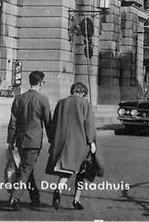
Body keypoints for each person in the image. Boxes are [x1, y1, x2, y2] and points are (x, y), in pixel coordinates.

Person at [46, 82, 97, 211]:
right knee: (82, 171)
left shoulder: (61, 103)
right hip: (80, 142)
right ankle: (76, 200)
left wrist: (52, 140)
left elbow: (54, 123)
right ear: (82, 92)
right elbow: (89, 125)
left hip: (63, 142)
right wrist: (91, 142)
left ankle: (58, 190)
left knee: (66, 171)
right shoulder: (85, 104)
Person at [6, 70, 52, 211]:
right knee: (26, 169)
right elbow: (48, 121)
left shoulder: (19, 98)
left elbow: (12, 122)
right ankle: (15, 197)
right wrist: (52, 139)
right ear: (40, 83)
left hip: (20, 140)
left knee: (27, 168)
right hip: (34, 141)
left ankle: (35, 198)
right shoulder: (43, 99)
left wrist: (11, 141)